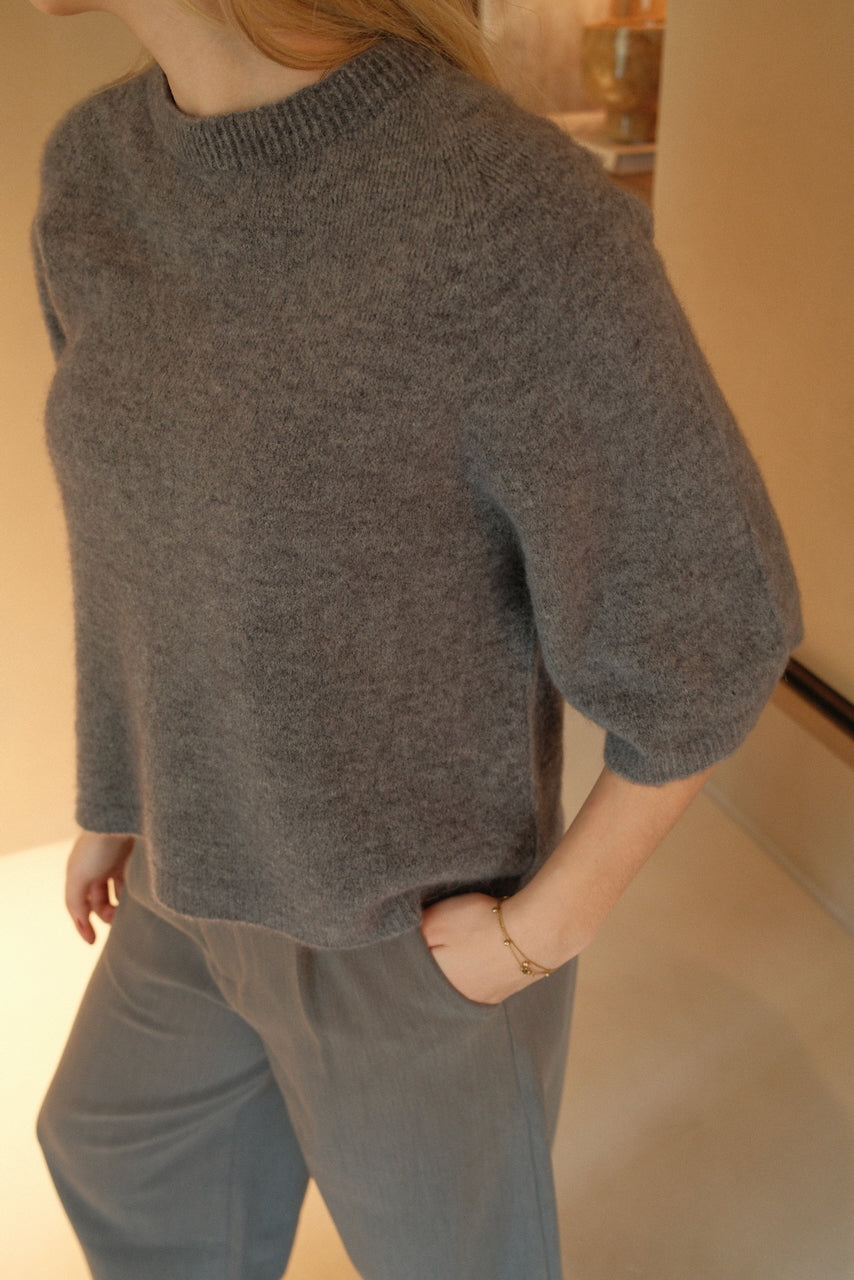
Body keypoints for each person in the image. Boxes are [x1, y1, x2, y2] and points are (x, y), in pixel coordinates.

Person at [29, 1, 802, 1277]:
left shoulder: (497, 208)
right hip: (184, 867)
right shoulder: (94, 174)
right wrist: (119, 795)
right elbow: (141, 533)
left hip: (399, 927)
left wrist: (536, 934)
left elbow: (713, 621)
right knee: (121, 1148)